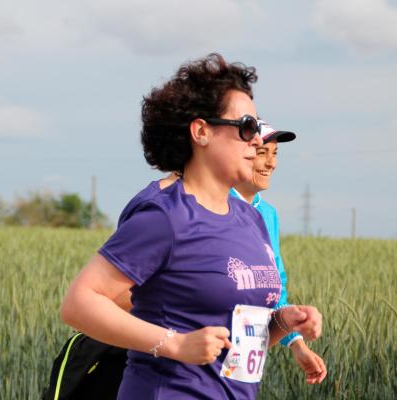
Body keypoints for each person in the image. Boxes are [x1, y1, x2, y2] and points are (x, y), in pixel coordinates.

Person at [60, 53, 322, 399]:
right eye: (246, 127)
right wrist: (175, 344)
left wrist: (282, 323)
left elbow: (238, 345)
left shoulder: (252, 219)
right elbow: (79, 304)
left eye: (256, 130)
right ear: (201, 132)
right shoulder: (164, 216)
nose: (257, 141)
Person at [231, 120, 327, 384]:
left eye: (274, 154)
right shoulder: (214, 205)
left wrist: (297, 343)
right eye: (262, 153)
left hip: (244, 360)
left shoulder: (268, 214)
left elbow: (276, 285)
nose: (271, 163)